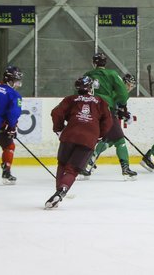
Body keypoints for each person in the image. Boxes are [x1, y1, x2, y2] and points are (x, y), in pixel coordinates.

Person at [46, 76, 113, 208]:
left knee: (62, 164)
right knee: (72, 170)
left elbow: (56, 113)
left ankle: (57, 191)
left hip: (69, 135)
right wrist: (99, 135)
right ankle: (61, 191)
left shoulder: (70, 99)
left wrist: (59, 129)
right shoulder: (100, 101)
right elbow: (108, 121)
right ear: (90, 88)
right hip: (88, 138)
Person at [84, 53, 137, 179]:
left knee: (107, 139)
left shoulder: (87, 75)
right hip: (106, 110)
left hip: (92, 111)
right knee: (120, 140)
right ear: (105, 63)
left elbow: (79, 91)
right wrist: (122, 108)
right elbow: (122, 94)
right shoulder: (112, 74)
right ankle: (125, 168)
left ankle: (86, 162)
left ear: (94, 63)